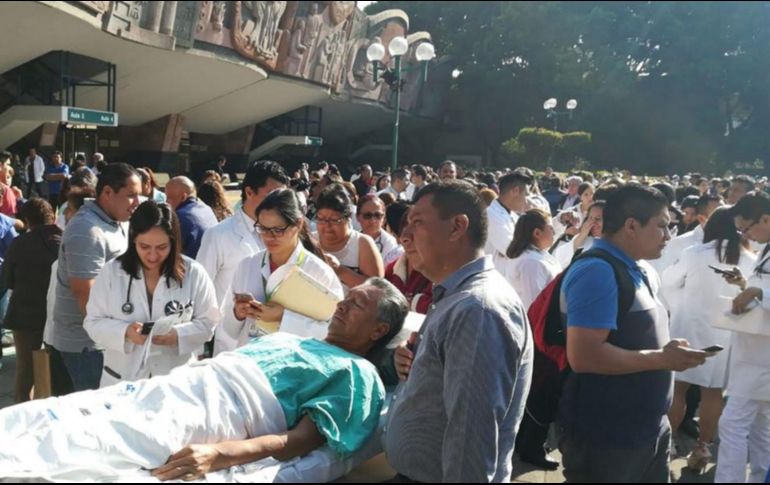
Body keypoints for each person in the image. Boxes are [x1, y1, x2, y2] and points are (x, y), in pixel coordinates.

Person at [0, 279, 407, 482]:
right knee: (58, 416)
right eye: (346, 297)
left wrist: (220, 456)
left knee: (91, 443)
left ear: (378, 330)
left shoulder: (359, 375)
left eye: (356, 305)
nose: (341, 305)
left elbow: (299, 443)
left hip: (222, 410)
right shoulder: (297, 341)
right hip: (183, 384)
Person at [558, 184, 713, 483]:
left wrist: (665, 350)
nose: (668, 236)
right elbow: (585, 356)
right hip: (608, 436)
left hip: (646, 428)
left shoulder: (638, 268)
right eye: (662, 226)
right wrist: (661, 358)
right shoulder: (597, 271)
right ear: (631, 226)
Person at [384, 181, 534, 482]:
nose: (404, 236)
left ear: (456, 228)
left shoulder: (477, 311)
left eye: (417, 223)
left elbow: (470, 439)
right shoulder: (456, 297)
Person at [83, 201, 219, 387]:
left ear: (174, 242)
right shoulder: (112, 272)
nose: (153, 256)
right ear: (133, 240)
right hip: (123, 379)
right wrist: (125, 332)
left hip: (175, 381)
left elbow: (209, 322)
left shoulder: (194, 273)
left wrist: (177, 335)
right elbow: (92, 323)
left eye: (162, 247)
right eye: (144, 247)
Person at [663, 207, 756, 473]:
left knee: (677, 389)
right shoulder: (748, 258)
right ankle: (703, 446)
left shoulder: (694, 254)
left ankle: (668, 442)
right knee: (713, 394)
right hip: (723, 333)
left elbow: (668, 283)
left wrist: (680, 304)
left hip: (686, 327)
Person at [216, 189, 343, 354]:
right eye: (262, 228)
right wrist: (238, 313)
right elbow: (228, 329)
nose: (268, 237)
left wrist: (284, 317)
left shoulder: (319, 273)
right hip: (251, 363)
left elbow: (333, 333)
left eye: (277, 230)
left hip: (294, 366)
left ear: (298, 224)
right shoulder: (247, 265)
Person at [50, 163, 142, 392]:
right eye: (131, 195)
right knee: (92, 416)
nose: (137, 202)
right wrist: (118, 332)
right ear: (108, 193)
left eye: (139, 195)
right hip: (87, 345)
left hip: (107, 339)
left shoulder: (115, 221)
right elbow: (86, 298)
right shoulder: (86, 230)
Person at [715, 193, 770, 483]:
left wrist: (759, 292)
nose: (745, 235)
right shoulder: (766, 247)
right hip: (754, 354)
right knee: (762, 429)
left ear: (765, 218)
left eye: (746, 229)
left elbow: (765, 294)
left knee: (732, 425)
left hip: (761, 361)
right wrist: (745, 285)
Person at [197, 161, 289, 309]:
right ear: (249, 192)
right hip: (228, 328)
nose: (278, 204)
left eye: (282, 198)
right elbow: (199, 291)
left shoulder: (287, 233)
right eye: (271, 196)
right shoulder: (218, 235)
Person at [3, 198, 61, 403]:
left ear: (26, 221)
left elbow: (6, 279)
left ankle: (22, 415)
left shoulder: (20, 243)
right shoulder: (65, 241)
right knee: (56, 373)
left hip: (25, 315)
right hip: (57, 317)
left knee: (25, 372)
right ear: (52, 215)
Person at [315, 184, 384, 292]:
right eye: (321, 219)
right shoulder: (310, 240)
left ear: (348, 218)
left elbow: (376, 289)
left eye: (334, 220)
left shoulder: (362, 244)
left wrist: (340, 270)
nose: (327, 226)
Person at [501, 209, 561, 309]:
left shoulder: (537, 255)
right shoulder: (530, 262)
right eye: (550, 228)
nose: (554, 233)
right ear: (537, 233)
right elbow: (533, 305)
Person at [385, 207, 433, 315]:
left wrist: (413, 302)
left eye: (416, 230)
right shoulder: (392, 269)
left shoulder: (443, 271)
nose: (405, 238)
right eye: (404, 229)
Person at [484, 172, 530, 272]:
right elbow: (512, 250)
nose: (526, 200)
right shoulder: (491, 215)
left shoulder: (512, 215)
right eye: (525, 195)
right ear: (515, 191)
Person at [165, 176, 218, 259]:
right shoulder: (207, 209)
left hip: (190, 267)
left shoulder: (179, 217)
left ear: (183, 197)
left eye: (169, 198)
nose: (166, 202)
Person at [552, 201, 605, 269]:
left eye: (598, 219)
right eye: (590, 218)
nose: (593, 222)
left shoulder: (612, 243)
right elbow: (559, 259)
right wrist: (581, 236)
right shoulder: (583, 239)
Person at [356, 194, 400, 266]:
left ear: (384, 218)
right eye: (367, 215)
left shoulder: (389, 243)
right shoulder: (351, 239)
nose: (373, 220)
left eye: (378, 215)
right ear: (357, 217)